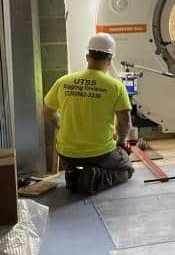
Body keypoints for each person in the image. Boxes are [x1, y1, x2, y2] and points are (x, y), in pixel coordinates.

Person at [43, 33, 134, 195]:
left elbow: (48, 112)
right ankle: (94, 176)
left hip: (66, 154)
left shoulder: (63, 81)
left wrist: (59, 125)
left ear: (87, 57)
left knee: (80, 162)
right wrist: (121, 142)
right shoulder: (115, 86)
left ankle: (78, 173)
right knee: (127, 166)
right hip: (100, 154)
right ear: (110, 59)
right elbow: (125, 123)